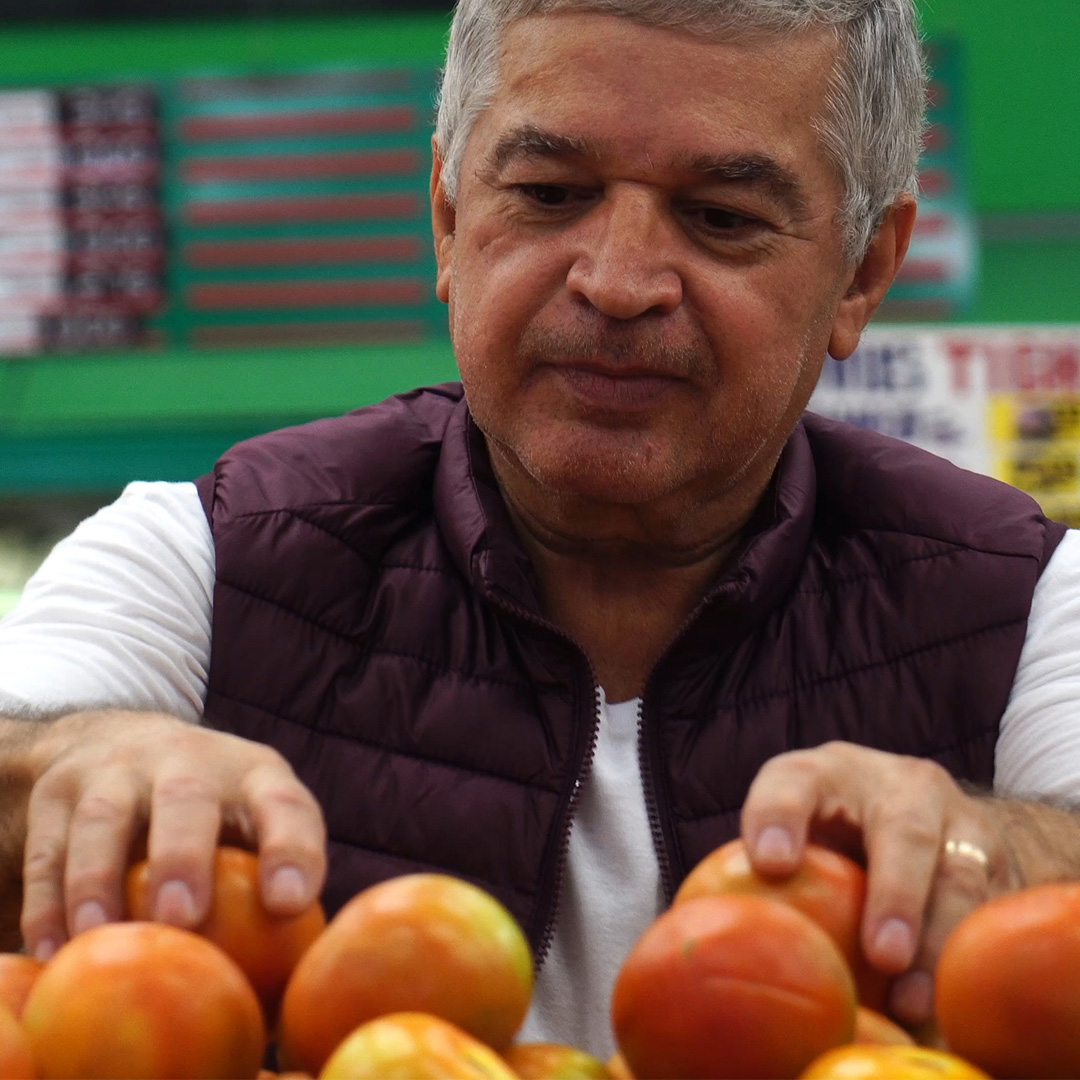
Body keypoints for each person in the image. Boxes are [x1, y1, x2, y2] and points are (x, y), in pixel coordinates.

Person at [3, 0, 1080, 1059]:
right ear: (449, 216)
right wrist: (73, 764)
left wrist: (1000, 852)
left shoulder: (1033, 603)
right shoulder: (200, 559)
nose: (616, 284)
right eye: (550, 193)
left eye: (722, 217)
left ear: (863, 271)